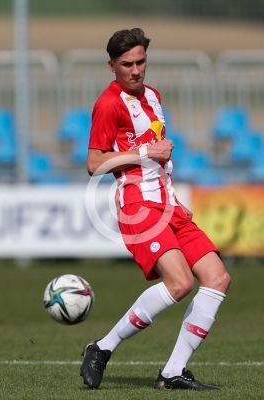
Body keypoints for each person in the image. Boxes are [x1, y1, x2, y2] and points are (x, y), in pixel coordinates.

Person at [80, 27, 231, 391]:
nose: (135, 70)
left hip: (168, 203)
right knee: (179, 283)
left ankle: (172, 372)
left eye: (141, 61)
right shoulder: (109, 104)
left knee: (217, 278)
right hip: (138, 204)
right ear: (112, 66)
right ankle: (102, 348)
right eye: (127, 64)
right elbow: (93, 163)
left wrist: (167, 182)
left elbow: (155, 152)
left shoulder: (153, 96)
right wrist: (148, 152)